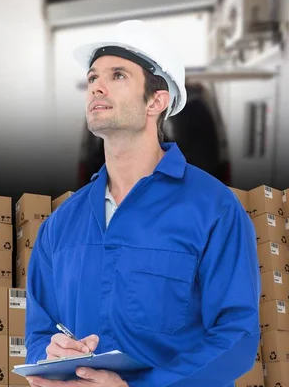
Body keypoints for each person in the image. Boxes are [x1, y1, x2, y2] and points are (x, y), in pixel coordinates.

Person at [24, 20, 260, 387]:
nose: (96, 87)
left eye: (117, 75)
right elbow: (38, 335)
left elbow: (237, 338)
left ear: (156, 100)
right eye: (92, 78)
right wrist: (49, 357)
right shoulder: (60, 225)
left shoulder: (214, 210)